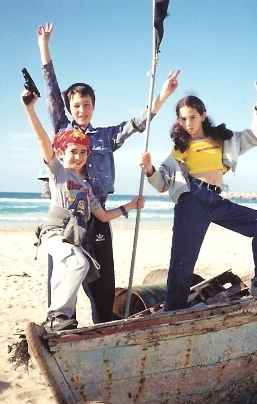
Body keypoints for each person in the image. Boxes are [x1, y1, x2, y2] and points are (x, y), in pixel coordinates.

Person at [37, 22, 179, 323]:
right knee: (63, 278)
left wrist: (164, 95)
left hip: (97, 215)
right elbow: (50, 90)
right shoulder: (62, 132)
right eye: (76, 105)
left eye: (86, 105)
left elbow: (137, 123)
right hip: (65, 217)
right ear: (70, 108)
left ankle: (104, 329)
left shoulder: (104, 137)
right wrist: (44, 47)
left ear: (93, 106)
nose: (82, 110)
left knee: (103, 284)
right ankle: (62, 325)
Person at [140, 81, 257, 312]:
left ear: (203, 115)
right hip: (192, 201)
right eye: (183, 119)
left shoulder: (224, 138)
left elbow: (254, 136)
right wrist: (149, 169)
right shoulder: (181, 147)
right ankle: (173, 309)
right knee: (182, 260)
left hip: (216, 200)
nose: (188, 123)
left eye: (192, 117)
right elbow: (161, 183)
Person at [21, 89, 145, 332]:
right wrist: (29, 109)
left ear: (88, 155)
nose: (77, 157)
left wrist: (129, 206)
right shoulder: (57, 172)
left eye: (82, 152)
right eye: (72, 152)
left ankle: (62, 318)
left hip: (75, 236)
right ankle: (57, 315)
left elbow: (103, 216)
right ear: (61, 153)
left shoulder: (87, 189)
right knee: (77, 264)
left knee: (78, 266)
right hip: (55, 232)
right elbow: (42, 140)